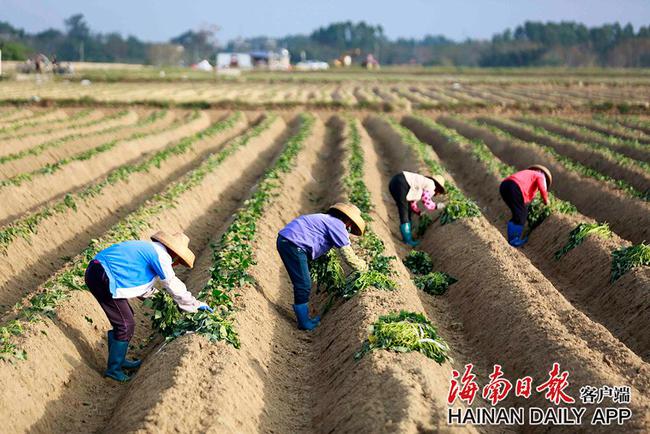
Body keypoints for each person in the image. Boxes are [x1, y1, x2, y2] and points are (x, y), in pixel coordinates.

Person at [84, 231, 212, 382]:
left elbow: (141, 286)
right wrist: (193, 305)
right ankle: (114, 369)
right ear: (173, 252)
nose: (176, 264)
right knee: (125, 324)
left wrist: (165, 302)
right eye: (178, 260)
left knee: (125, 318)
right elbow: (171, 283)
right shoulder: (161, 255)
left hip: (99, 272)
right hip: (103, 275)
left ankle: (119, 360)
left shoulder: (148, 250)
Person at [277, 203, 368, 331]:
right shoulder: (338, 225)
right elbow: (348, 256)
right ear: (348, 221)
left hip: (285, 240)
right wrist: (364, 268)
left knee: (303, 280)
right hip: (293, 244)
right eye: (351, 225)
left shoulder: (326, 219)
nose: (349, 228)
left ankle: (305, 319)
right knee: (304, 284)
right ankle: (304, 323)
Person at [388, 171, 447, 247]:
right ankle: (408, 241)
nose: (437, 194)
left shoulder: (422, 184)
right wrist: (437, 206)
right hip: (401, 183)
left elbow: (412, 203)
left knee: (406, 209)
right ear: (438, 187)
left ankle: (407, 238)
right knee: (404, 210)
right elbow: (426, 200)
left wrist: (419, 212)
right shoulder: (431, 184)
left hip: (395, 181)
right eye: (439, 192)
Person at [499, 165, 552, 247]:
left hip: (504, 185)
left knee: (517, 213)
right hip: (514, 187)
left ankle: (512, 239)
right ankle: (514, 240)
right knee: (521, 215)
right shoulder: (540, 175)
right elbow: (542, 188)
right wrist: (546, 200)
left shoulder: (528, 174)